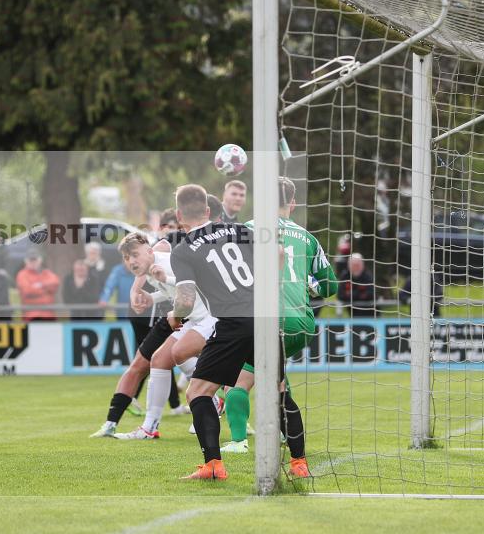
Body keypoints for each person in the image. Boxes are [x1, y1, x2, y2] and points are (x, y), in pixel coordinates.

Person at [221, 178, 338, 480]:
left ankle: (237, 441)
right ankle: (297, 459)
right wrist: (307, 286)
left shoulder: (245, 228)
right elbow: (331, 287)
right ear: (293, 203)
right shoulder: (308, 237)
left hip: (265, 319)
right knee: (277, 382)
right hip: (302, 321)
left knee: (238, 380)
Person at [170, 183, 256, 480]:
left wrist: (175, 317)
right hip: (266, 316)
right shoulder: (243, 230)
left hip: (233, 322)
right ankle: (300, 462)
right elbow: (277, 258)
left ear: (180, 216)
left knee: (197, 391)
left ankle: (213, 465)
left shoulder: (182, 250)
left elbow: (186, 301)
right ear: (209, 210)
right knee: (279, 387)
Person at [113, 234, 216, 440]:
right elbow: (172, 290)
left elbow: (193, 284)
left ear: (150, 252)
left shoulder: (167, 263)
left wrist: (165, 281)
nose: (131, 261)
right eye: (126, 257)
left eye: (135, 255)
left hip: (211, 316)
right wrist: (152, 297)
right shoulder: (150, 269)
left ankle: (212, 400)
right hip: (195, 318)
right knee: (159, 360)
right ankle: (149, 428)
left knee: (182, 355)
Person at [15, 249, 60, 321]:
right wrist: (45, 289)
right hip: (31, 316)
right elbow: (27, 291)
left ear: (40, 260)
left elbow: (55, 283)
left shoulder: (47, 272)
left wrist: (40, 285)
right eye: (31, 260)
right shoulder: (22, 274)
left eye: (35, 260)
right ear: (26, 261)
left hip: (49, 315)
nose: (33, 262)